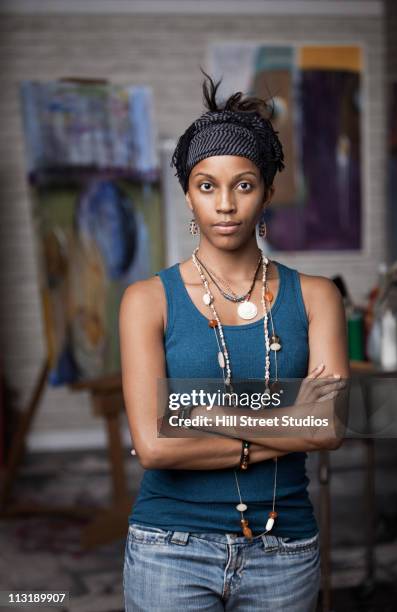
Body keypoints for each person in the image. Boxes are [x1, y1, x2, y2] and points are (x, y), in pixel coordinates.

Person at [119, 71, 349, 612]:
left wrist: (196, 412)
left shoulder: (316, 297)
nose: (225, 204)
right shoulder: (146, 300)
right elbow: (152, 448)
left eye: (243, 185)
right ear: (188, 194)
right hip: (168, 548)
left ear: (268, 191)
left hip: (284, 546)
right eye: (207, 185)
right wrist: (289, 422)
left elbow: (331, 425)